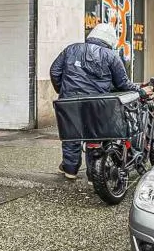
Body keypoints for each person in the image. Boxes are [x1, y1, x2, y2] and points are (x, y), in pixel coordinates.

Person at [50, 22, 133, 180]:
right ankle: (93, 174)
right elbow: (122, 83)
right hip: (97, 103)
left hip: (70, 100)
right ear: (111, 40)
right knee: (95, 136)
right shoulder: (111, 56)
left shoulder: (71, 49)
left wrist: (63, 91)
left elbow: (55, 71)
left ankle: (70, 169)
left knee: (71, 135)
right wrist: (139, 90)